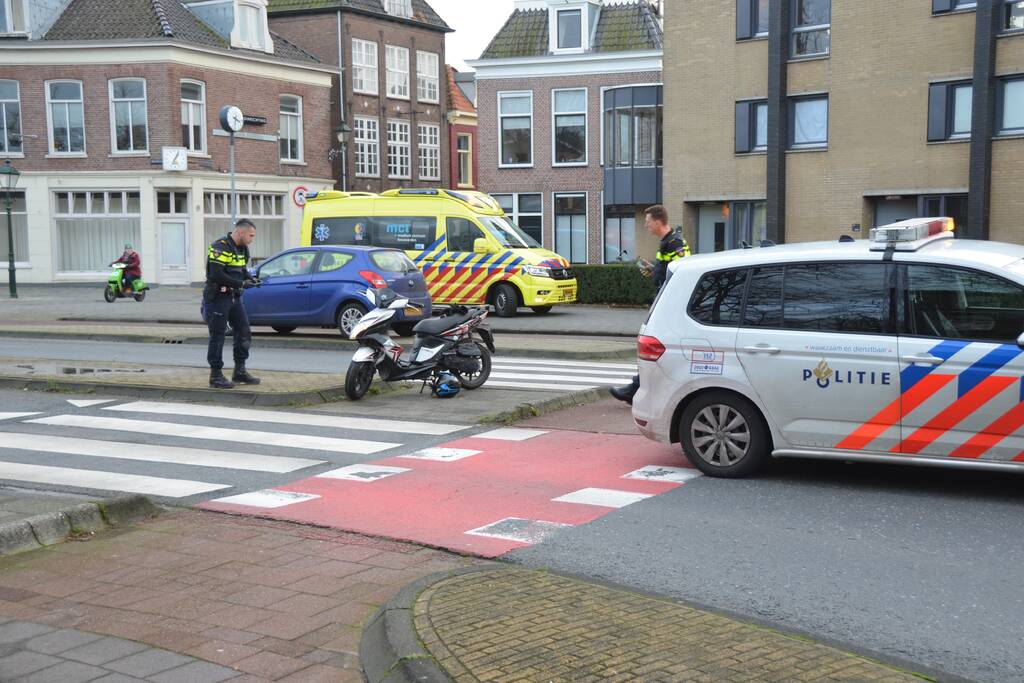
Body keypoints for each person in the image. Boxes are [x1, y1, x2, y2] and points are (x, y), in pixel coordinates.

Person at [610, 205, 690, 405]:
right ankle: (641, 389)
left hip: (669, 306)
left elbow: (682, 273)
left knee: (651, 346)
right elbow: (668, 271)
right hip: (666, 303)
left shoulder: (674, 242)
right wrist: (653, 271)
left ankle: (637, 389)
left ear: (657, 221)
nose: (646, 226)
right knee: (656, 348)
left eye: (647, 222)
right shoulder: (667, 242)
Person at [205, 219, 261, 389]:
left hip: (234, 297)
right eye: (251, 235)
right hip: (218, 297)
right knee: (218, 336)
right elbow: (216, 274)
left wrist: (250, 278)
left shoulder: (243, 248)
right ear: (241, 232)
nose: (252, 239)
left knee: (244, 331)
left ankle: (239, 371)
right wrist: (241, 284)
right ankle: (215, 375)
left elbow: (242, 270)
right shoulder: (220, 247)